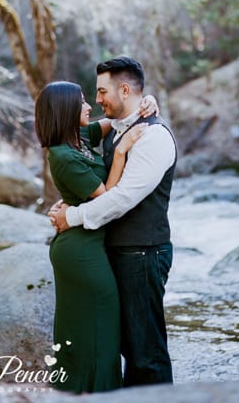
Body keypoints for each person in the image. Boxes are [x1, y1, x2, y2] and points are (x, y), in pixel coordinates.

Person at [48, 56, 178, 386]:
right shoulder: (117, 128)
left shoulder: (153, 137)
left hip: (143, 253)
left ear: (124, 89)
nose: (97, 100)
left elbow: (120, 199)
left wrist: (71, 217)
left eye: (102, 91)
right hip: (117, 252)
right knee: (127, 346)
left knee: (147, 352)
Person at [34, 81, 153, 393]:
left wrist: (147, 102)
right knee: (98, 329)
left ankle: (88, 391)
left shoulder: (79, 138)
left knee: (95, 330)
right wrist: (121, 153)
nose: (90, 106)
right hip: (79, 252)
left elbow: (117, 118)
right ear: (65, 110)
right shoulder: (62, 155)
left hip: (87, 243)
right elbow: (107, 199)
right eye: (82, 102)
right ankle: (91, 393)